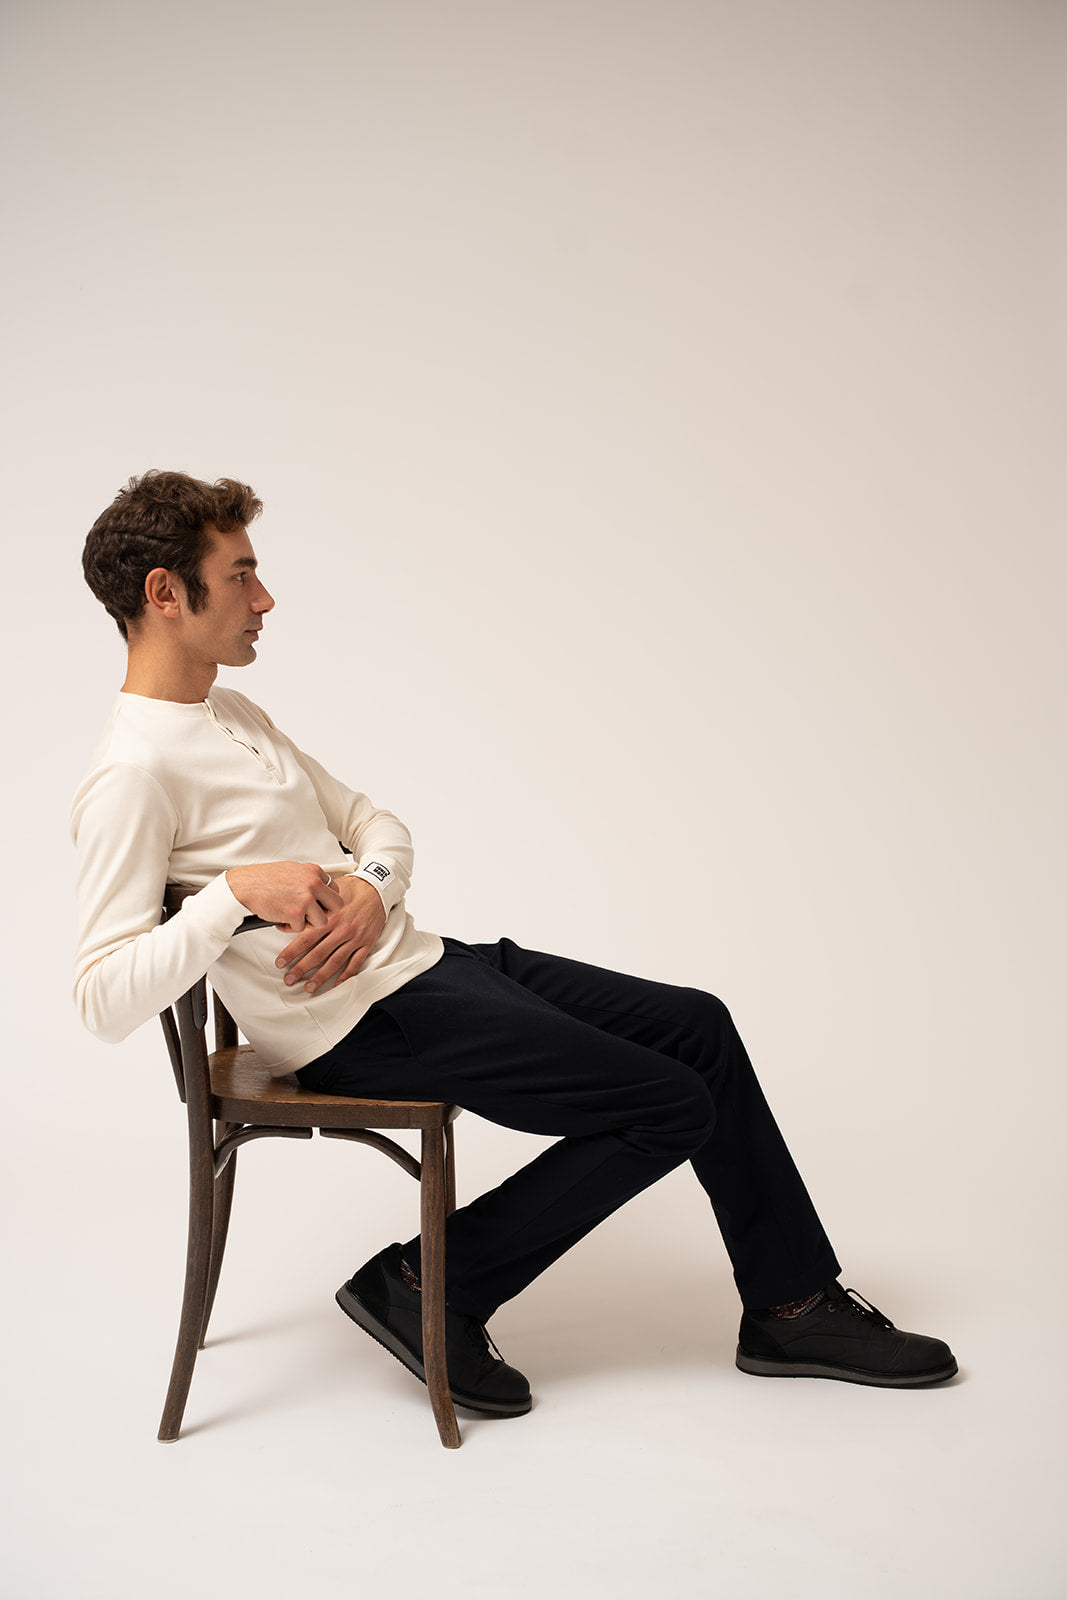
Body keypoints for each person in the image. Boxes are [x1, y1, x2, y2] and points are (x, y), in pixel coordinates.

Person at [72, 469, 957, 1418]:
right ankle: (424, 1286)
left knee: (698, 1025)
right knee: (670, 1104)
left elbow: (377, 823)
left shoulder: (234, 715)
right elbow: (100, 996)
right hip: (359, 1025)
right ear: (166, 594)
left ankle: (791, 1304)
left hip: (426, 965)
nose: (265, 597)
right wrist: (227, 897)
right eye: (241, 574)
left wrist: (371, 892)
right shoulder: (133, 772)